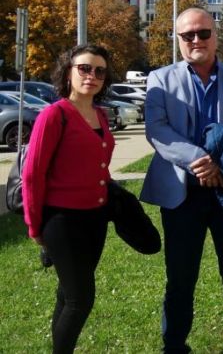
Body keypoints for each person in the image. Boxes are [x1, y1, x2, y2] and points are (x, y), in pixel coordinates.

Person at [141, 8, 223, 354]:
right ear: (178, 39)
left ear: (215, 35)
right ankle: (174, 345)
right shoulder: (160, 79)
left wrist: (221, 159)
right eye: (188, 35)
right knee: (180, 278)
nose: (197, 40)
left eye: (204, 33)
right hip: (182, 193)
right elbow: (157, 130)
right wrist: (201, 160)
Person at [21, 45, 115, 353]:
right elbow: (32, 175)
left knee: (67, 293)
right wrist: (34, 226)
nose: (92, 75)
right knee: (80, 300)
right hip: (62, 221)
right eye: (84, 68)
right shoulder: (54, 115)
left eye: (99, 71)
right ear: (68, 73)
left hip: (95, 218)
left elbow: (99, 165)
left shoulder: (101, 115)